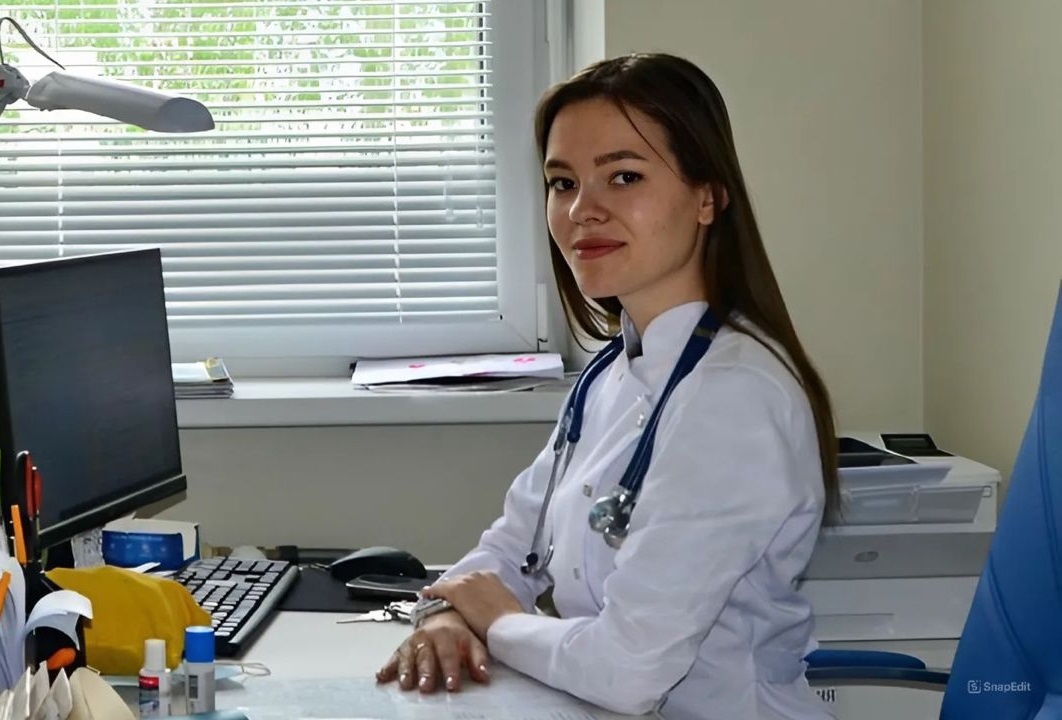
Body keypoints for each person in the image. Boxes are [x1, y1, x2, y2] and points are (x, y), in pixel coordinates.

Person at [376, 52, 841, 720]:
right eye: (562, 182)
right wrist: (448, 615)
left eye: (624, 176)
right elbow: (511, 546)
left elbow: (629, 672)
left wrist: (497, 622)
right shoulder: (609, 373)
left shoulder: (735, 396)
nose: (582, 210)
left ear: (708, 198)